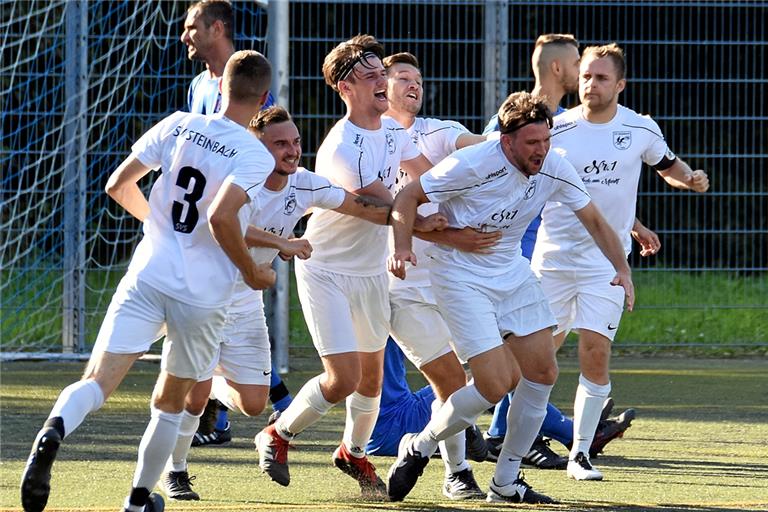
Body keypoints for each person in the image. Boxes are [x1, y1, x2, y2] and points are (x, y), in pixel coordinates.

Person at [20, 50, 276, 512]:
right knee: (170, 403)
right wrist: (252, 270)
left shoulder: (177, 123)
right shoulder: (254, 154)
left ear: (221, 87)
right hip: (201, 296)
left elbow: (119, 185)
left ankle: (54, 428)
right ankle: (138, 502)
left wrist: (159, 228)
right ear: (261, 100)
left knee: (97, 381)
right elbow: (220, 217)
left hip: (148, 274)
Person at [161, 105, 443, 501]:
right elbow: (225, 222)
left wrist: (411, 220)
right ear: (257, 148)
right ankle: (175, 471)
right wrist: (281, 242)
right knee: (196, 392)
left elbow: (357, 205)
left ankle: (348, 450)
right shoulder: (241, 181)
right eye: (280, 144)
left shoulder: (306, 182)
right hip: (204, 291)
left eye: (295, 142)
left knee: (255, 403)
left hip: (247, 298)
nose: (292, 151)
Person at [386, 91, 634, 505]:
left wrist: (621, 269)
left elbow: (593, 219)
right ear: (506, 141)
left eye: (546, 140)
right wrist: (400, 246)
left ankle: (505, 482)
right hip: (459, 276)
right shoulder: (472, 163)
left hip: (512, 272)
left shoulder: (555, 165)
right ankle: (421, 444)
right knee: (494, 384)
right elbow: (407, 198)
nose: (541, 151)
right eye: (532, 143)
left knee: (543, 373)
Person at [254, 35, 437, 498]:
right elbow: (388, 205)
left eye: (381, 71)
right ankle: (278, 434)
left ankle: (353, 453)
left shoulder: (394, 131)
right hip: (325, 268)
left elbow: (426, 178)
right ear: (344, 88)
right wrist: (430, 223)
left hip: (371, 270)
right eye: (369, 74)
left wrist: (462, 192)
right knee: (343, 379)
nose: (381, 79)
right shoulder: (342, 146)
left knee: (372, 379)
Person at [530, 42, 709, 482]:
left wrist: (690, 180)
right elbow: (564, 190)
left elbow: (665, 165)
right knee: (536, 361)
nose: (591, 84)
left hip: (605, 266)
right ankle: (517, 447)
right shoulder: (558, 127)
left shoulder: (640, 128)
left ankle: (580, 455)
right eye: (586, 75)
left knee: (596, 352)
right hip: (552, 259)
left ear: (620, 84)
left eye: (602, 77)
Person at [482, 34, 647, 467]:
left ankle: (533, 435)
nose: (585, 77)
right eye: (580, 66)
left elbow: (585, 195)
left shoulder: (574, 124)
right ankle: (489, 432)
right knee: (518, 361)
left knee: (547, 357)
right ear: (560, 70)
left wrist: (630, 224)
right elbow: (485, 173)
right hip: (520, 253)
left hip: (569, 253)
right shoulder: (527, 120)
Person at [377, 51, 491, 500]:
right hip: (398, 286)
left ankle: (422, 449)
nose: (414, 84)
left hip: (451, 280)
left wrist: (513, 137)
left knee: (490, 377)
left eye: (418, 79)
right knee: (447, 383)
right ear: (379, 87)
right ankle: (457, 472)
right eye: (403, 77)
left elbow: (479, 145)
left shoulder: (440, 132)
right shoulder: (364, 140)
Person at [180, 0, 287, 449]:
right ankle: (181, 460)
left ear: (217, 28)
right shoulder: (197, 87)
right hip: (204, 228)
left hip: (240, 217)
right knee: (201, 329)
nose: (185, 35)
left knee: (234, 310)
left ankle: (243, 400)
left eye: (192, 27)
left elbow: (270, 144)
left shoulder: (253, 83)